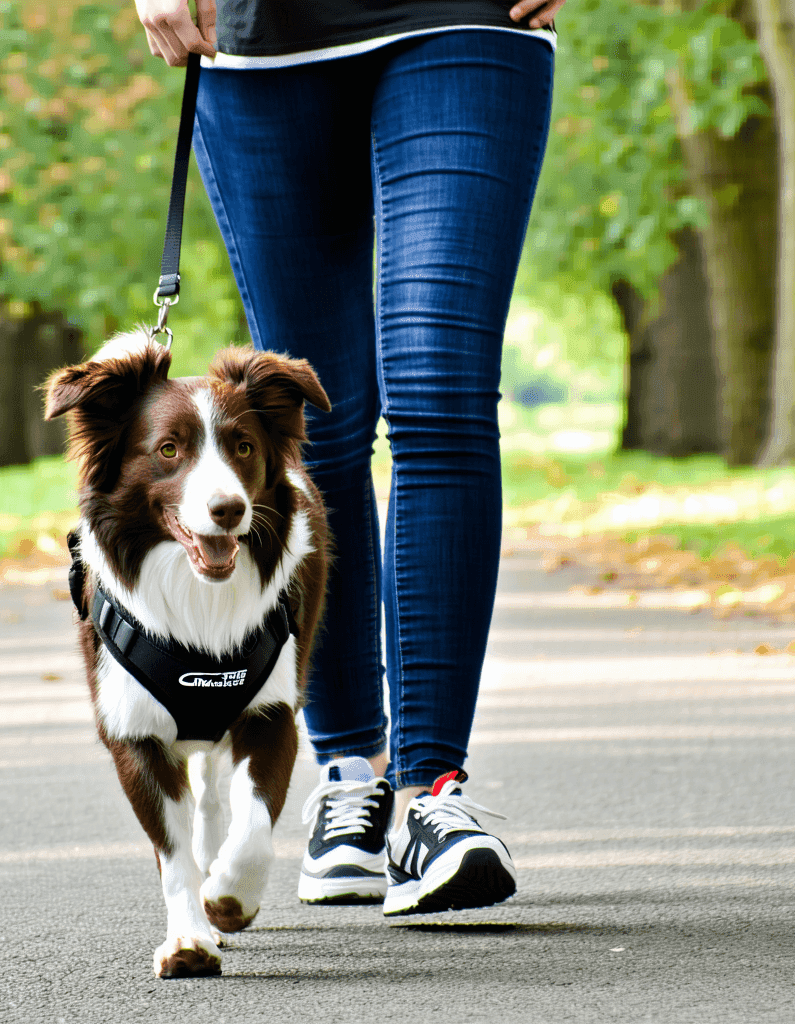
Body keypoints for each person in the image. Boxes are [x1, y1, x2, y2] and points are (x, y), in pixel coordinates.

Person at [133, 0, 565, 916]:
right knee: (314, 419)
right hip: (262, 38)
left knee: (440, 387)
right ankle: (348, 775)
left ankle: (430, 794)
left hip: (469, 17)